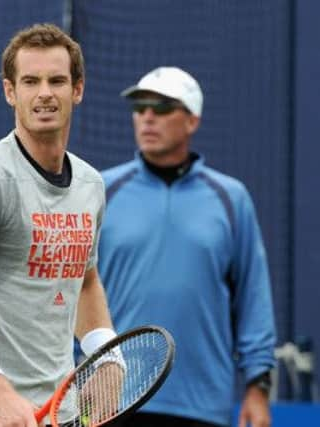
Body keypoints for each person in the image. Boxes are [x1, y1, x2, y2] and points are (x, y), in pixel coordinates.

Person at [0, 23, 120, 427]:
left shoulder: (90, 185)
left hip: (57, 415)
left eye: (57, 80)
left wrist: (108, 358)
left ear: (77, 90)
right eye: (30, 81)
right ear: (10, 91)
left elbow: (84, 280)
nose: (44, 92)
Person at [98, 66, 276, 427]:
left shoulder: (231, 198)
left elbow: (253, 296)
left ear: (192, 121)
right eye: (140, 107)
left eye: (162, 108)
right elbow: (75, 292)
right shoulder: (100, 191)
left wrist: (257, 385)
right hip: (112, 401)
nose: (147, 117)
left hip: (201, 405)